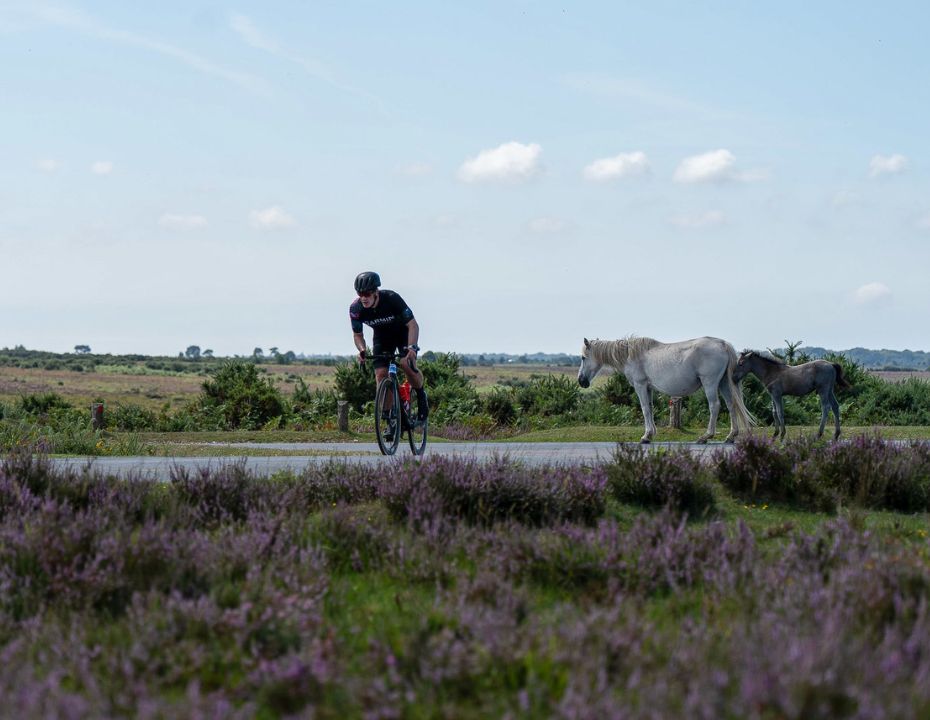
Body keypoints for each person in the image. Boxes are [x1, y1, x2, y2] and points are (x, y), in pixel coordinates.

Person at [350, 271, 428, 425]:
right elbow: (357, 335)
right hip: (382, 337)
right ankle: (389, 419)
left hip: (403, 334)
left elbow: (413, 325)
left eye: (366, 293)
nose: (363, 298)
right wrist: (362, 350)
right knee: (380, 375)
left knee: (406, 364)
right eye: (360, 294)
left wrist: (412, 348)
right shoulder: (356, 309)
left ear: (375, 292)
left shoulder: (392, 299)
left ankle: (420, 395)